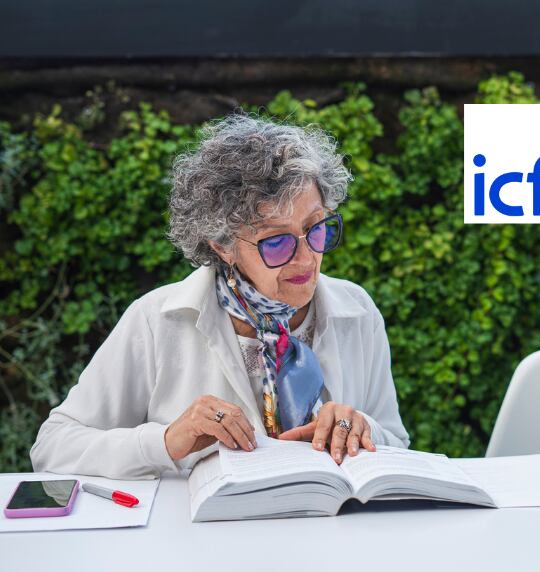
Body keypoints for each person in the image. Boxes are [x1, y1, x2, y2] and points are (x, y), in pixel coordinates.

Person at [30, 113, 410, 479]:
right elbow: (53, 446)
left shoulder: (358, 310)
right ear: (223, 246)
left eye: (315, 227)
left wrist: (364, 430)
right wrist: (164, 442)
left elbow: (398, 444)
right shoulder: (156, 319)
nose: (307, 256)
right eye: (276, 242)